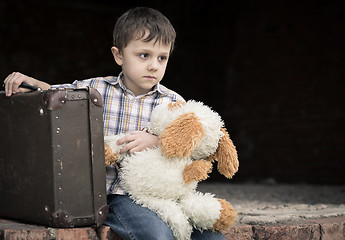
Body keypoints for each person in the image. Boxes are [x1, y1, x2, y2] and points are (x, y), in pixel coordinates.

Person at [3, 7, 226, 240]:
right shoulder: (96, 90)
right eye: (144, 55)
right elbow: (57, 94)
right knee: (158, 235)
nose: (154, 65)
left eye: (162, 57)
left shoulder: (174, 102)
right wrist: (30, 82)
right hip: (117, 195)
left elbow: (192, 146)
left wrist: (159, 141)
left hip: (165, 194)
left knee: (212, 236)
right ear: (118, 55)